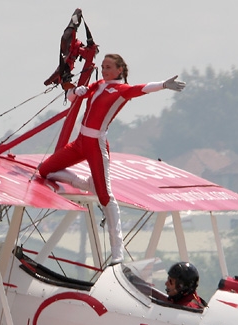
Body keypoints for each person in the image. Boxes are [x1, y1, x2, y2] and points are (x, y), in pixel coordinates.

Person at [38, 53, 186, 265]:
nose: (104, 70)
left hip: (96, 145)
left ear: (119, 70)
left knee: (106, 197)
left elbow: (141, 89)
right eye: (103, 66)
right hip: (80, 142)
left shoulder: (121, 90)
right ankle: (84, 183)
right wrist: (75, 91)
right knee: (45, 170)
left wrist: (163, 84)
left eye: (109, 67)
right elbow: (72, 98)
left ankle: (118, 253)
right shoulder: (98, 84)